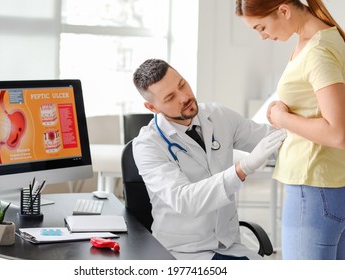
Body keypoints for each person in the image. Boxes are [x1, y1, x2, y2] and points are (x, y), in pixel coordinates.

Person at [132, 58, 287, 260]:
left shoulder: (218, 115)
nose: (184, 97)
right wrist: (242, 169)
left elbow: (272, 140)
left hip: (229, 245)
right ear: (152, 107)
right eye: (170, 97)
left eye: (182, 85)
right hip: (183, 253)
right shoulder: (148, 145)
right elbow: (185, 200)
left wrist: (295, 123)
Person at [235, 0, 345, 260]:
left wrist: (280, 117)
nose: (262, 37)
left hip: (313, 185)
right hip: (333, 184)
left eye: (261, 27)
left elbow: (338, 132)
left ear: (283, 10)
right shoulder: (328, 38)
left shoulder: (317, 50)